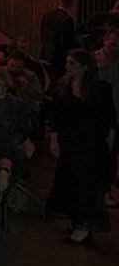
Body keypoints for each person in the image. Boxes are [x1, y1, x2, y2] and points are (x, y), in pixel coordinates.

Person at [45, 48, 116, 244]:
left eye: (72, 64)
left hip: (92, 145)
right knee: (71, 182)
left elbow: (108, 115)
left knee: (87, 184)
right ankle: (78, 222)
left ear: (84, 66)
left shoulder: (99, 88)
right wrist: (54, 138)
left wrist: (110, 135)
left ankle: (83, 224)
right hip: (70, 144)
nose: (68, 67)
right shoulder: (62, 87)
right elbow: (56, 116)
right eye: (67, 63)